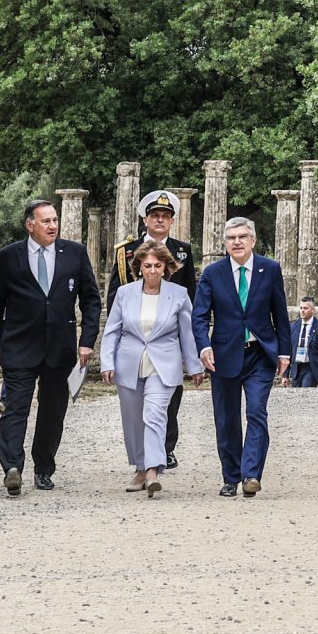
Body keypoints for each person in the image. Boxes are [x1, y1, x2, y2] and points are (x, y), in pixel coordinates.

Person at [0, 198, 103, 495]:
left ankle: (44, 468)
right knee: (16, 407)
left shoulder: (75, 254)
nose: (53, 225)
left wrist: (87, 341)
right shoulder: (8, 257)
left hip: (61, 347)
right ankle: (12, 467)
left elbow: (91, 301)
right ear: (30, 225)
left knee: (53, 410)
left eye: (55, 220)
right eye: (46, 221)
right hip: (19, 345)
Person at [192, 216, 290, 497]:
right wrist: (203, 346)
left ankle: (251, 475)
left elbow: (280, 314)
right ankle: (230, 476)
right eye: (231, 238)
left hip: (260, 353)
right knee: (226, 418)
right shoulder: (213, 273)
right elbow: (199, 316)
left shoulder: (269, 270)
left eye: (242, 237)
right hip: (223, 355)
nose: (236, 242)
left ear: (253, 241)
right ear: (225, 243)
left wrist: (284, 351)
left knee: (256, 412)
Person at [99, 239, 202, 497]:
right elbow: (112, 331)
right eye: (147, 265)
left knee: (155, 415)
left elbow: (187, 334)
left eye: (158, 265)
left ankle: (154, 470)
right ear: (139, 267)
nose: (153, 270)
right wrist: (107, 362)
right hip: (129, 362)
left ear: (166, 267)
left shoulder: (178, 295)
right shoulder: (125, 294)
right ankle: (141, 467)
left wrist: (195, 366)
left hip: (163, 364)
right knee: (134, 421)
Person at [109, 191, 197, 469]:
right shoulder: (126, 251)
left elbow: (190, 297)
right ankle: (142, 460)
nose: (160, 220)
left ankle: (165, 449)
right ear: (145, 219)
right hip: (135, 335)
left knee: (168, 398)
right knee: (135, 406)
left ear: (171, 221)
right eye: (155, 216)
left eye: (166, 216)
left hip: (166, 337)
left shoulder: (182, 251)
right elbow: (115, 293)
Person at [289, 299, 318, 389]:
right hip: (296, 368)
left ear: (313, 310)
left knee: (306, 392)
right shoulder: (293, 327)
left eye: (306, 308)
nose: (302, 310)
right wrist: (285, 375)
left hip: (311, 368)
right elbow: (289, 351)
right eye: (301, 308)